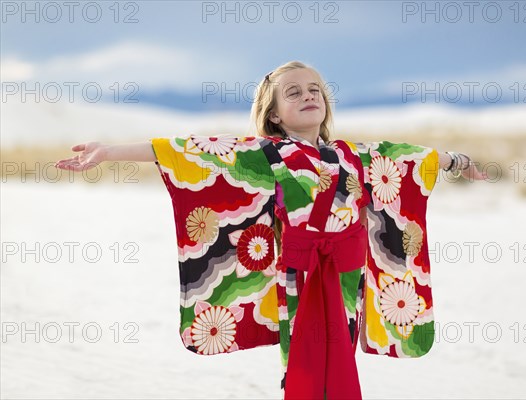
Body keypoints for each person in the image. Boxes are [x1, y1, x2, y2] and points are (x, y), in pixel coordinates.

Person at [56, 60, 487, 400]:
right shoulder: (266, 154)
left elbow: (410, 158)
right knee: (301, 353)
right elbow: (194, 152)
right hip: (298, 268)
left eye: (314, 89)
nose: (307, 96)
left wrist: (459, 162)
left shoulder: (354, 154)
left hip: (346, 269)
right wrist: (109, 152)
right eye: (293, 92)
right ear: (274, 114)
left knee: (341, 352)